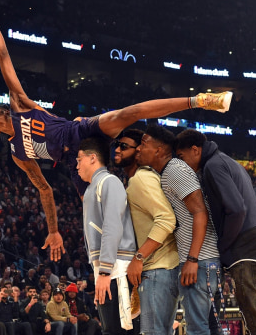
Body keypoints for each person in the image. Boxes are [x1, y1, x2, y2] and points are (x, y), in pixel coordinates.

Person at [0, 2, 232, 262]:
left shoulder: (21, 105)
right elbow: (45, 190)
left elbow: (3, 57)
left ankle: (200, 100)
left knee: (128, 113)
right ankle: (132, 262)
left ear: (3, 111)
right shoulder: (18, 154)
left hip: (78, 130)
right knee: (96, 212)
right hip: (75, 160)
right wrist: (53, 231)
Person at [174, 129, 256, 335]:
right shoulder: (225, 161)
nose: (181, 164)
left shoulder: (213, 166)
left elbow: (237, 209)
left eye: (181, 157)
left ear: (195, 150)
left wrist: (223, 246)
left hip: (249, 252)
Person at [135, 125, 219, 335]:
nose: (139, 148)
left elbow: (200, 212)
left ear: (159, 150)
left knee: (197, 329)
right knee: (198, 327)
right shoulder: (168, 172)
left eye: (144, 144)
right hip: (199, 260)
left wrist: (192, 259)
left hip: (200, 260)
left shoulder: (174, 169)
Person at [114, 129, 180, 335]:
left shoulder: (141, 179)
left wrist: (139, 257)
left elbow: (167, 219)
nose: (117, 150)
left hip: (158, 269)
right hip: (163, 269)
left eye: (124, 146)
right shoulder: (141, 179)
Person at [76, 137, 137, 334]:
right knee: (110, 329)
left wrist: (104, 271)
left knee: (120, 329)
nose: (77, 165)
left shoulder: (109, 181)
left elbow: (113, 225)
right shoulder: (92, 186)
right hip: (106, 267)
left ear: (92, 158)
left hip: (117, 268)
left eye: (79, 159)